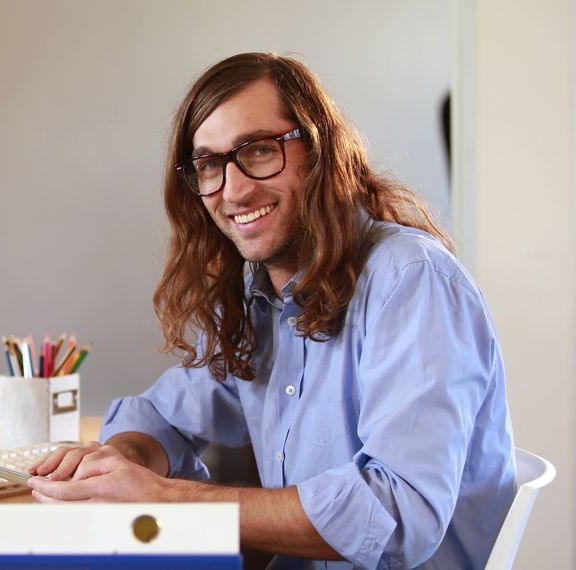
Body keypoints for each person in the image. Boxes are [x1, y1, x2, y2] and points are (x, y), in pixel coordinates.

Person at [28, 52, 516, 569]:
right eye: (210, 165)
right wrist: (118, 461)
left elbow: (396, 512)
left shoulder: (412, 281)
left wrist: (164, 497)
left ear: (319, 150)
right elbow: (161, 414)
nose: (234, 190)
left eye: (258, 151)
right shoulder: (268, 300)